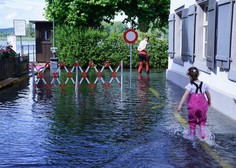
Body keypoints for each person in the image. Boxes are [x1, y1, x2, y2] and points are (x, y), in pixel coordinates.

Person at [177, 67, 211, 139]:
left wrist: (180, 105)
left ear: (189, 76)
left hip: (193, 106)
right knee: (202, 119)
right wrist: (209, 102)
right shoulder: (204, 84)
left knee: (192, 121)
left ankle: (192, 136)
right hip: (203, 106)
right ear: (198, 75)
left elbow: (185, 96)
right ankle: (202, 132)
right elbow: (208, 94)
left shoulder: (190, 86)